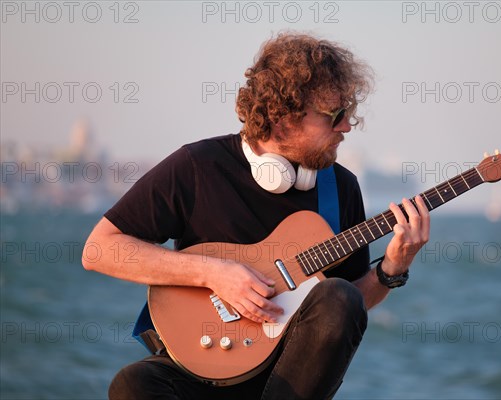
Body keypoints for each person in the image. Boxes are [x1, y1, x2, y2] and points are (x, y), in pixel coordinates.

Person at [82, 32, 430, 399]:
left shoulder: (339, 187)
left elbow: (347, 306)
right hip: (201, 367)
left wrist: (392, 269)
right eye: (335, 116)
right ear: (284, 122)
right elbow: (99, 249)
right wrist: (213, 273)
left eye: (348, 114)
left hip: (289, 379)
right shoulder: (198, 166)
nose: (346, 127)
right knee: (132, 384)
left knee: (339, 296)